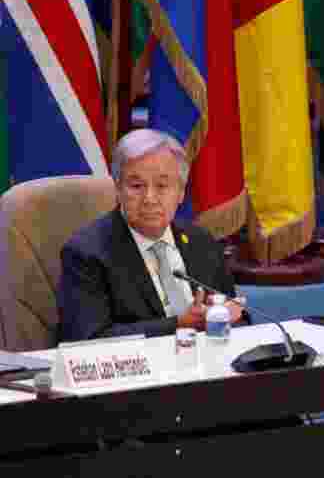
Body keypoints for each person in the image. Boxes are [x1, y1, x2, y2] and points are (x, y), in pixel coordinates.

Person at [58, 129, 245, 342]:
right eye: (136, 186)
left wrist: (228, 315)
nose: (149, 198)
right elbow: (88, 339)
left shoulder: (202, 242)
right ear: (118, 189)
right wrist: (178, 325)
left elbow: (238, 319)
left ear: (181, 192)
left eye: (162, 186)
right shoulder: (86, 253)